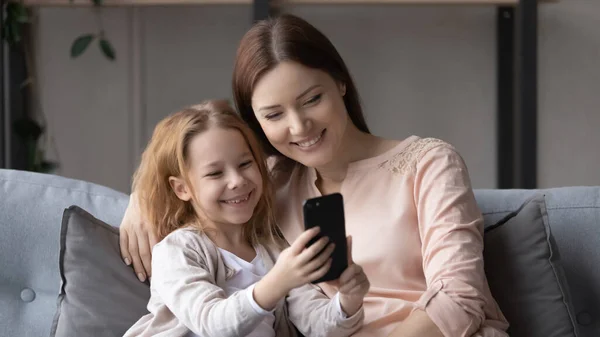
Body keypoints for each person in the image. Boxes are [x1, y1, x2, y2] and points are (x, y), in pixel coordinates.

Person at [120, 14, 510, 337]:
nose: (299, 127)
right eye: (273, 115)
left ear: (340, 83)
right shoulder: (272, 181)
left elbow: (460, 298)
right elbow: (200, 158)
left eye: (312, 100)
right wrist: (143, 196)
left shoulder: (429, 163)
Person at [122, 100, 369, 337]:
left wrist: (348, 300)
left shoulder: (274, 249)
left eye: (245, 164)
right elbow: (212, 323)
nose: (237, 180)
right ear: (182, 188)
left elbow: (318, 326)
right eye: (215, 173)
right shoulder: (177, 251)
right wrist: (277, 282)